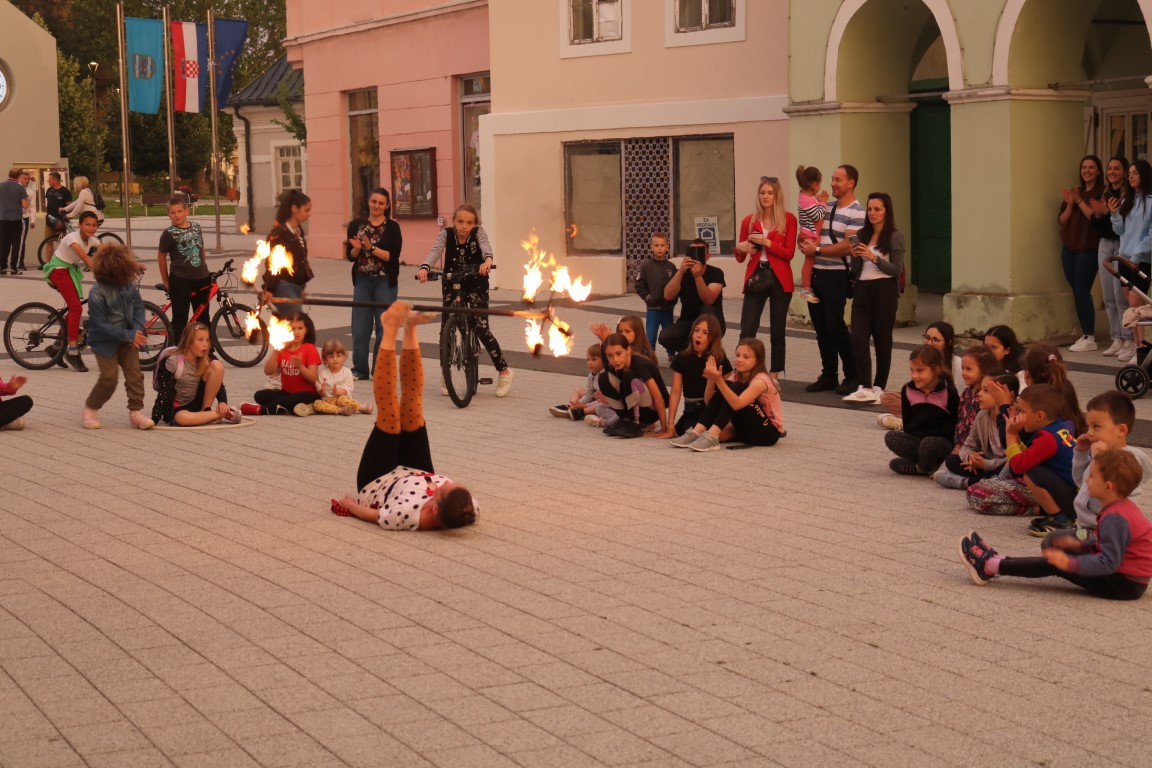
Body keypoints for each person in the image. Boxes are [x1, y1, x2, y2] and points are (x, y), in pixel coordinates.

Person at [331, 302, 478, 531]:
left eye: (441, 489)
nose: (440, 484)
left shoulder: (404, 516)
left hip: (379, 481)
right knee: (413, 406)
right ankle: (410, 328)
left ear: (434, 509)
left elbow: (375, 515)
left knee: (389, 413)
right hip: (418, 471)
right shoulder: (467, 509)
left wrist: (350, 506)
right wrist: (432, 482)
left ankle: (390, 328)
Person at [959, 449, 1152, 600]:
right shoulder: (1119, 508)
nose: (1087, 480)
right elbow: (1106, 545)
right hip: (1126, 578)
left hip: (1123, 584)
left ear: (1109, 487)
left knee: (1054, 564)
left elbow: (1108, 562)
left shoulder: (1115, 516)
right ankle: (1000, 559)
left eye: (1092, 476)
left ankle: (989, 566)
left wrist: (1069, 563)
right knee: (1059, 554)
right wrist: (1079, 546)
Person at [417, 204, 513, 397]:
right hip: (452, 281)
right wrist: (425, 267)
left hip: (476, 282)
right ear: (454, 221)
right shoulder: (447, 234)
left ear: (474, 224)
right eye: (460, 221)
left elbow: (486, 247)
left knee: (481, 327)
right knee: (446, 327)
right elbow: (436, 250)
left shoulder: (479, 233)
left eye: (469, 222)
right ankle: (446, 373)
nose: (464, 226)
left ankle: (504, 371)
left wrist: (487, 261)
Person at [798, 165, 865, 393]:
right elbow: (811, 230)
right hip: (816, 274)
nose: (833, 183)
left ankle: (852, 375)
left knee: (835, 325)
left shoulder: (857, 212)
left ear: (851, 183)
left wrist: (816, 250)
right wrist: (803, 242)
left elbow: (850, 246)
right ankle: (829, 374)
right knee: (821, 328)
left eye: (838, 180)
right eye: (832, 179)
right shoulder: (825, 207)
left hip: (836, 276)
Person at [81, 243, 154, 430]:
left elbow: (138, 307)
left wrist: (137, 329)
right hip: (104, 342)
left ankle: (136, 412)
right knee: (109, 377)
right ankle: (91, 407)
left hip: (129, 337)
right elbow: (100, 324)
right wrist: (129, 335)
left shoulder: (128, 285)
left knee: (135, 375)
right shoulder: (97, 292)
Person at [842, 192, 906, 404]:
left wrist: (873, 257)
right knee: (858, 338)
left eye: (877, 209)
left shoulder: (895, 236)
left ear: (886, 211)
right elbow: (855, 270)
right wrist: (855, 254)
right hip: (863, 289)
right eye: (869, 209)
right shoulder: (862, 234)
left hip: (884, 290)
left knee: (882, 340)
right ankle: (865, 385)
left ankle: (879, 386)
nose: (872, 213)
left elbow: (896, 270)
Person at [670, 338, 785, 451]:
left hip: (766, 434)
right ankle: (696, 431)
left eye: (746, 357)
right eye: (737, 355)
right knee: (729, 385)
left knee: (736, 386)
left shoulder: (761, 380)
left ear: (758, 361)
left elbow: (737, 405)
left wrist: (719, 381)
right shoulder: (736, 375)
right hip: (744, 430)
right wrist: (712, 380)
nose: (739, 359)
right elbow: (709, 402)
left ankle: (712, 435)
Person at [735, 177, 796, 378]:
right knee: (748, 327)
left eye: (770, 193)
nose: (766, 197)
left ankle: (775, 374)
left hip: (779, 277)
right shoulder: (749, 221)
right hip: (757, 275)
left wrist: (768, 243)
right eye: (763, 193)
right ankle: (745, 370)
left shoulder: (788, 219)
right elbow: (740, 257)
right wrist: (739, 247)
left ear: (776, 195)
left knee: (777, 329)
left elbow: (789, 254)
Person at [1000, 383, 1078, 536]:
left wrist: (1009, 435)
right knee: (1033, 469)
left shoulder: (1048, 438)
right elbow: (1029, 455)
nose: (1018, 415)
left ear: (1040, 416)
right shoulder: (1057, 428)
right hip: (1075, 496)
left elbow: (1017, 466)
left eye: (1021, 411)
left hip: (1073, 499)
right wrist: (1016, 436)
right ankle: (1059, 516)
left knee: (1032, 473)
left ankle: (1061, 520)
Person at [1069, 391, 1152, 532]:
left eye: (1096, 426)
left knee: (1060, 547)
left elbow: (1116, 497)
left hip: (1110, 528)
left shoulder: (1126, 460)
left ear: (1121, 430)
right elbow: (1080, 482)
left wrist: (1102, 459)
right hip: (1086, 526)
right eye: (1088, 426)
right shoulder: (1101, 453)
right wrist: (1081, 453)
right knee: (1052, 542)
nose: (1089, 432)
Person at [346, 187, 402, 380]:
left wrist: (371, 248)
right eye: (374, 202)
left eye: (381, 203)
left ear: (387, 206)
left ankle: (380, 368)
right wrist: (357, 249)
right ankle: (359, 369)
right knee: (360, 327)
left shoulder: (393, 227)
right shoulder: (356, 225)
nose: (377, 206)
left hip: (384, 281)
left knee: (383, 327)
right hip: (362, 280)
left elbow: (392, 257)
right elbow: (351, 257)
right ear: (369, 202)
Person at [884, 345, 959, 476]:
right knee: (891, 437)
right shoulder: (907, 389)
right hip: (918, 442)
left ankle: (922, 468)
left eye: (920, 371)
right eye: (912, 371)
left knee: (929, 444)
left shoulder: (948, 391)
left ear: (936, 369)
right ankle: (928, 466)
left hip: (941, 443)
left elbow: (958, 422)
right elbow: (907, 424)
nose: (915, 376)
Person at [935, 371, 1015, 491]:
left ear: (1008, 395)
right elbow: (967, 445)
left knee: (1010, 467)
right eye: (980, 389)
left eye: (986, 390)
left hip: (1001, 467)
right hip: (983, 466)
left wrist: (986, 464)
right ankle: (980, 483)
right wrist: (971, 458)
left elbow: (1015, 457)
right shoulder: (982, 415)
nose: (979, 394)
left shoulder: (1015, 417)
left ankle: (968, 483)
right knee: (952, 460)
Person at [42, 210, 100, 372]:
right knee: (76, 308)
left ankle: (56, 347)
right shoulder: (72, 238)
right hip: (58, 271)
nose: (91, 228)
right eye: (87, 224)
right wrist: (104, 270)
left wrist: (130, 264)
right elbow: (86, 258)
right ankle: (72, 351)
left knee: (73, 308)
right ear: (80, 225)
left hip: (69, 271)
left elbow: (111, 252)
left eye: (94, 225)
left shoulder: (91, 240)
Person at [877, 321, 962, 431]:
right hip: (922, 402)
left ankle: (909, 423)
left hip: (944, 406)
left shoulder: (957, 363)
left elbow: (960, 399)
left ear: (948, 343)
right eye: (927, 338)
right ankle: (912, 422)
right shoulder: (921, 357)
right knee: (887, 397)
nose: (929, 343)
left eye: (935, 340)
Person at [151, 323, 239, 427]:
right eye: (200, 340)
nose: (205, 344)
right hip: (179, 408)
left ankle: (206, 411)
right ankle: (221, 414)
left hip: (197, 402)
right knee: (182, 419)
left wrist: (223, 402)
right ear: (189, 342)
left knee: (217, 365)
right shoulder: (172, 361)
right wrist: (154, 419)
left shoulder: (207, 359)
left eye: (207, 340)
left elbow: (217, 382)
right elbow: (164, 392)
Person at [1089, 156, 1133, 359]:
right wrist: (1099, 214)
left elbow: (1124, 224)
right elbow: (1097, 226)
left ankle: (1129, 338)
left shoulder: (1129, 193)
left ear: (1124, 172)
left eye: (1117, 168)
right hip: (1105, 243)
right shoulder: (1104, 193)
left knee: (1120, 294)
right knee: (1108, 295)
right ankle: (1116, 337)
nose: (1112, 172)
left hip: (1123, 244)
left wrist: (1109, 212)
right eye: (1109, 168)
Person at [1060, 156, 1104, 352]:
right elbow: (1062, 220)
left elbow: (1095, 218)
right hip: (1069, 248)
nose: (1086, 171)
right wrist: (1071, 203)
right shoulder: (1075, 192)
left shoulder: (1101, 192)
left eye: (1091, 168)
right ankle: (1085, 334)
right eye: (1084, 167)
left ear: (1098, 171)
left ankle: (1090, 336)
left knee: (1082, 290)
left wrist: (1078, 200)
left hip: (1089, 248)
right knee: (1076, 291)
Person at [661, 314, 731, 437]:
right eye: (696, 330)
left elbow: (728, 391)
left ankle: (727, 431)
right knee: (681, 430)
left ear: (713, 338)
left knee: (693, 432)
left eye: (705, 333)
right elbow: (676, 392)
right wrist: (670, 423)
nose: (699, 335)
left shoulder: (719, 358)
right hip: (689, 410)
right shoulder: (681, 358)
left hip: (709, 409)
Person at [1110, 159, 1152, 360]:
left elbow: (1151, 235)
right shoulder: (1128, 200)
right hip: (1124, 258)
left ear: (1144, 174)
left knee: (1135, 308)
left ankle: (1141, 349)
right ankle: (1138, 347)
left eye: (1135, 172)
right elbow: (1119, 230)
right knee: (1131, 310)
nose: (1131, 176)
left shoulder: (1151, 201)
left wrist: (1136, 256)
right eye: (1130, 173)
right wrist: (1114, 214)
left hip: (1141, 260)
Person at [242, 312, 321, 416]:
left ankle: (262, 410)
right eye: (292, 328)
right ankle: (287, 407)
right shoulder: (283, 349)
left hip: (307, 395)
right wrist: (276, 349)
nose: (296, 332)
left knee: (299, 398)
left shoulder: (309, 349)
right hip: (286, 393)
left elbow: (313, 378)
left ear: (306, 330)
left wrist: (300, 367)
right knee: (259, 395)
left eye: (300, 328)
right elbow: (268, 371)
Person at [657, 240, 726, 357]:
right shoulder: (682, 273)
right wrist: (680, 272)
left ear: (708, 256)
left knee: (706, 310)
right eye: (692, 252)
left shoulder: (716, 273)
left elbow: (708, 300)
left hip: (713, 323)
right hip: (688, 321)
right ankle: (694, 353)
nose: (695, 256)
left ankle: (707, 352)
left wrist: (697, 276)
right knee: (665, 336)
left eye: (699, 252)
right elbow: (668, 295)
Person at [157, 195, 211, 344]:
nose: (177, 215)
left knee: (203, 318)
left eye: (179, 211)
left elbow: (201, 248)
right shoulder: (168, 234)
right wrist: (166, 281)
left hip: (202, 278)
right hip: (180, 279)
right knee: (180, 317)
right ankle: (177, 351)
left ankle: (206, 350)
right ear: (168, 214)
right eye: (173, 213)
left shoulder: (196, 227)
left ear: (186, 211)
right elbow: (161, 257)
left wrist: (202, 267)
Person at [597, 333, 669, 438]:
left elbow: (658, 398)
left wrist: (664, 429)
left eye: (618, 353)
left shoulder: (640, 365)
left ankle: (634, 425)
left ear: (628, 350)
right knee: (603, 377)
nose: (615, 359)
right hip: (633, 406)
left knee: (630, 376)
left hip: (650, 411)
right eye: (610, 356)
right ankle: (624, 420)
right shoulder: (617, 365)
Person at [263, 190, 313, 317]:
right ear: (294, 209)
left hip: (296, 285)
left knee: (291, 326)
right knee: (297, 321)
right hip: (282, 285)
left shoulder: (298, 231)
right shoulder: (279, 233)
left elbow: (300, 260)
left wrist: (301, 288)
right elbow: (272, 263)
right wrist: (269, 289)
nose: (309, 214)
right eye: (306, 210)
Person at [1021, 344, 1086, 435]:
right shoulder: (1066, 387)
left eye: (1022, 411)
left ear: (1027, 375)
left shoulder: (1033, 409)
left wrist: (1003, 406)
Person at [634, 232, 677, 358]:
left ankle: (671, 354)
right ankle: (649, 355)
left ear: (667, 247)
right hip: (653, 309)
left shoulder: (671, 267)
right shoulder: (645, 266)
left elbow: (677, 286)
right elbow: (639, 285)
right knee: (651, 335)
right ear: (651, 247)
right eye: (656, 245)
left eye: (662, 245)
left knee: (669, 333)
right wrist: (648, 298)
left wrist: (673, 301)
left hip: (667, 309)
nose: (659, 248)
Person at [314, 339, 374, 416]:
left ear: (343, 357)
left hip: (342, 398)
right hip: (329, 401)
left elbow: (348, 389)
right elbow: (319, 391)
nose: (335, 359)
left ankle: (360, 407)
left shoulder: (347, 372)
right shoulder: (323, 373)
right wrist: (321, 391)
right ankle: (340, 410)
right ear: (325, 359)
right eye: (331, 357)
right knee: (317, 404)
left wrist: (338, 392)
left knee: (342, 400)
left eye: (338, 356)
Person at [794, 164, 826, 303]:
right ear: (814, 184)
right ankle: (806, 289)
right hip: (809, 235)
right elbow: (818, 216)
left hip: (809, 234)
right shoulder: (806, 200)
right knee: (809, 261)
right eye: (819, 183)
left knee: (811, 261)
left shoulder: (807, 197)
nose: (819, 187)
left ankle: (808, 287)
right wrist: (823, 202)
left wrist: (817, 199)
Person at [548, 343, 603, 422]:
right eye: (588, 359)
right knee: (579, 390)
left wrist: (585, 406)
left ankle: (580, 411)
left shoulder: (605, 375)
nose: (590, 363)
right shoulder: (591, 375)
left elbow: (604, 400)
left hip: (602, 401)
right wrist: (578, 403)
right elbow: (588, 394)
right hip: (594, 398)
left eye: (594, 360)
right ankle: (571, 407)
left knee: (600, 405)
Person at [0, 168, 29, 275]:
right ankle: (14, 268)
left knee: (3, 243)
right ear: (18, 177)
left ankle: (2, 267)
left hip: (2, 219)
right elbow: (24, 205)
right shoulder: (20, 188)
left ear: (9, 174)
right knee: (17, 244)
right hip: (16, 219)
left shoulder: (1, 185)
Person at [17, 170, 36, 273]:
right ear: (19, 178)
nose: (27, 181)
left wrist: (33, 220)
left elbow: (32, 207)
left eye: (28, 179)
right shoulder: (15, 189)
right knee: (9, 240)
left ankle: (20, 262)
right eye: (25, 178)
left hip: (25, 217)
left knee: (22, 241)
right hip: (14, 217)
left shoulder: (30, 192)